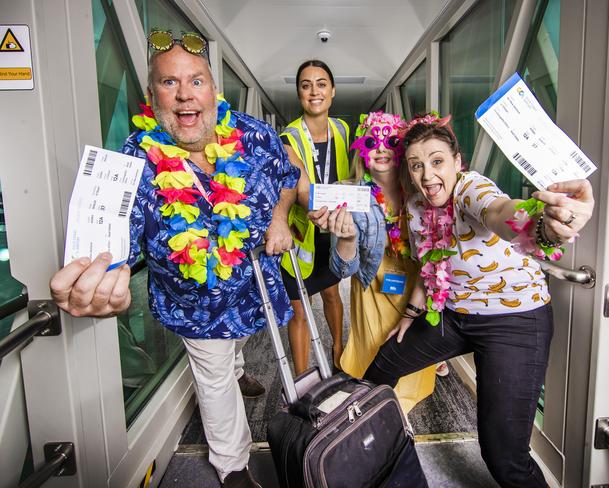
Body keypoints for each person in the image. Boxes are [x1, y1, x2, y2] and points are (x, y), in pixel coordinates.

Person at [49, 31, 300, 488]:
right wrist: (102, 278)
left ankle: (239, 366)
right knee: (214, 379)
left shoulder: (253, 134)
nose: (184, 93)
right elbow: (110, 243)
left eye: (196, 81)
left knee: (236, 351)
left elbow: (288, 174)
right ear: (152, 96)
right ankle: (233, 466)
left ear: (213, 90)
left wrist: (281, 218)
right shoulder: (133, 162)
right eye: (169, 83)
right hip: (194, 308)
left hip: (252, 290)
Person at [342, 114, 593, 487]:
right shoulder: (415, 208)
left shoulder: (470, 189)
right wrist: (411, 314)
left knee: (503, 454)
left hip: (514, 321)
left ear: (458, 162)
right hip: (454, 315)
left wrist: (544, 222)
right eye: (417, 166)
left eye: (437, 161)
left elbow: (500, 213)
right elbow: (430, 263)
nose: (427, 174)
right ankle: (374, 447)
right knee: (383, 365)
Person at [309, 111, 439, 414]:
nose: (381, 148)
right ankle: (376, 409)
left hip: (415, 287)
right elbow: (342, 270)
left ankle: (395, 413)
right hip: (371, 288)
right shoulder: (349, 195)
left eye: (390, 141)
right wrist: (347, 238)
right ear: (362, 150)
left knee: (411, 354)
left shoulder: (424, 192)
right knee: (375, 353)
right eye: (372, 141)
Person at [280, 60, 350, 374]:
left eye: (321, 83)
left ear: (332, 91)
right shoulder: (288, 137)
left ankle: (338, 350)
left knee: (333, 294)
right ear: (299, 93)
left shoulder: (343, 129)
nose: (314, 91)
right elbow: (303, 187)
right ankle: (302, 379)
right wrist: (317, 208)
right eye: (306, 85)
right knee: (300, 311)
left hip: (334, 232)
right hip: (303, 234)